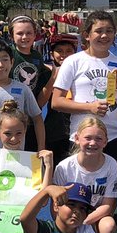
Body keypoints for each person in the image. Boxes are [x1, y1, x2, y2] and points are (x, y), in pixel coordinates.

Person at [52, 10, 117, 183]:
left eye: (109, 31)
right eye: (98, 31)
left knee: (108, 194)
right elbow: (56, 101)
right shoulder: (73, 61)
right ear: (87, 35)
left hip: (113, 137)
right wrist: (89, 107)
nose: (104, 35)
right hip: (82, 137)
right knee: (78, 194)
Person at [51, 116, 117, 233]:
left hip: (96, 217)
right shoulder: (64, 167)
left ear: (106, 141)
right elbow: (55, 206)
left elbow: (108, 205)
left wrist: (85, 221)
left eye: (98, 139)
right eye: (88, 138)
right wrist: (72, 221)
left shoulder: (111, 164)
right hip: (71, 215)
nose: (93, 143)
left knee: (108, 226)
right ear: (77, 138)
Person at [8, 15, 55, 149]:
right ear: (11, 36)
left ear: (35, 35)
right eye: (20, 33)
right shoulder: (8, 54)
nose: (25, 37)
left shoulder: (37, 57)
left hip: (30, 117)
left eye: (29, 33)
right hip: (11, 115)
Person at [43, 33, 78, 165]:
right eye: (59, 51)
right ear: (52, 54)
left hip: (75, 130)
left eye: (69, 51)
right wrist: (53, 77)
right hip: (54, 131)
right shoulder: (47, 74)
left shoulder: (81, 73)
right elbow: (41, 102)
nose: (64, 55)